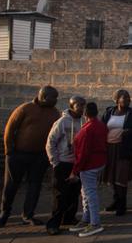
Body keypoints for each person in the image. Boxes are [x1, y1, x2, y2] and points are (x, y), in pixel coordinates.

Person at [0, 85, 61, 227]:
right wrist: (9, 151)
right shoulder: (25, 108)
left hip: (40, 157)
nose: (56, 100)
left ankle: (28, 215)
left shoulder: (55, 113)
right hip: (18, 154)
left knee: (34, 186)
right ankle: (4, 213)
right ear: (44, 96)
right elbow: (10, 128)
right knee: (11, 185)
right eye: (54, 97)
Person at [45, 95, 86, 235]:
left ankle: (69, 218)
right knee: (60, 194)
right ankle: (53, 223)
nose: (82, 108)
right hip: (62, 163)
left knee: (74, 193)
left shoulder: (84, 121)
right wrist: (55, 162)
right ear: (72, 106)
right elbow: (50, 142)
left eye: (83, 105)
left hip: (76, 164)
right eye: (79, 105)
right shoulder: (62, 122)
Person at [68, 102, 108, 238]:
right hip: (99, 162)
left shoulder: (87, 130)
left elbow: (83, 153)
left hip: (89, 165)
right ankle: (86, 219)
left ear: (84, 114)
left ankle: (95, 223)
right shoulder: (100, 125)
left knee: (89, 194)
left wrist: (75, 170)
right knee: (85, 192)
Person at [101, 89, 132, 216]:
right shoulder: (109, 112)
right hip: (109, 149)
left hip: (123, 149)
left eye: (128, 98)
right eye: (124, 97)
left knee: (121, 176)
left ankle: (122, 204)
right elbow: (102, 127)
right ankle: (115, 201)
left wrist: (127, 132)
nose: (127, 100)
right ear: (117, 99)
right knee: (113, 176)